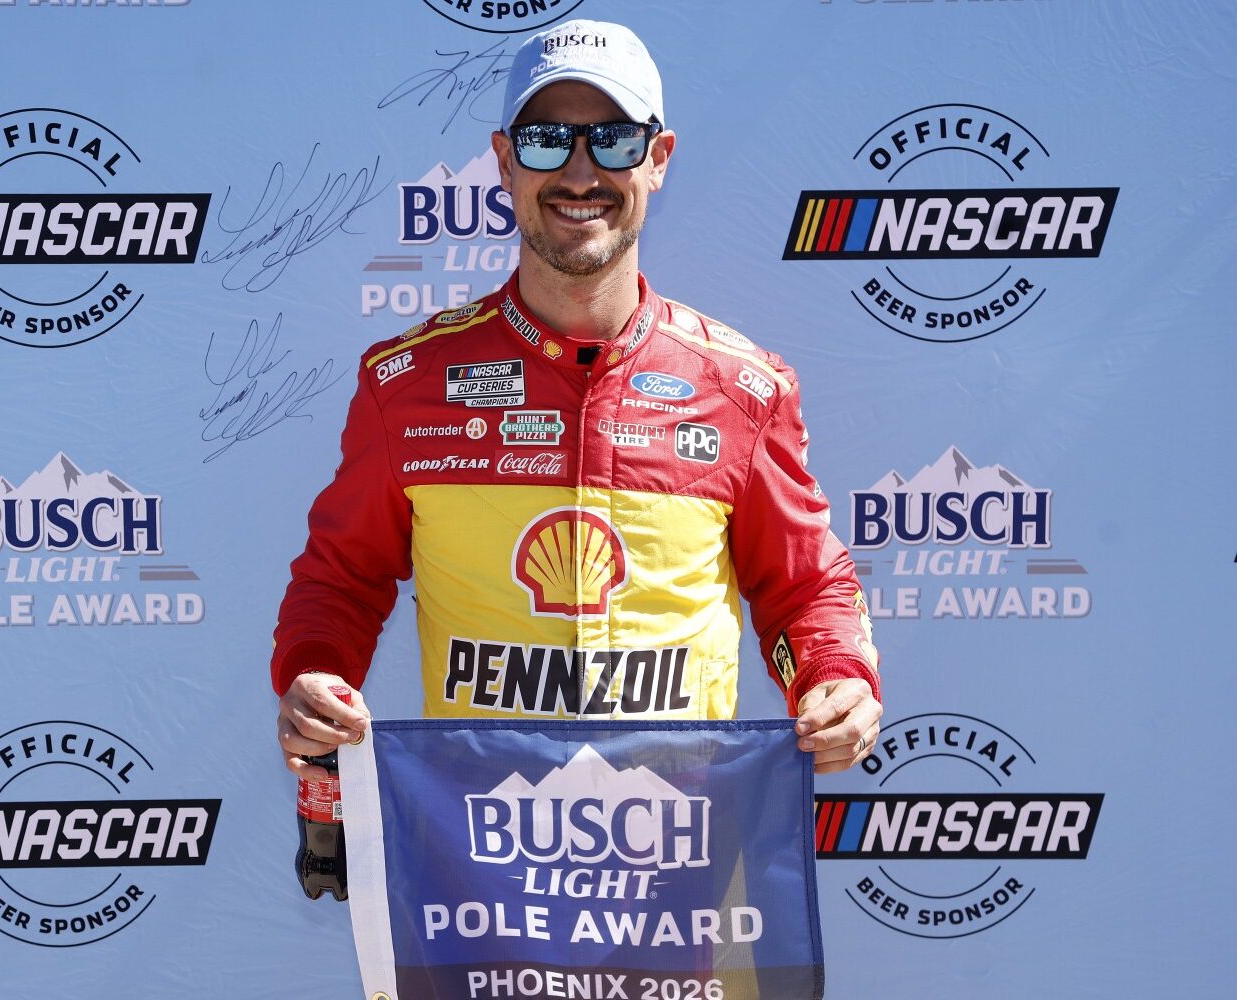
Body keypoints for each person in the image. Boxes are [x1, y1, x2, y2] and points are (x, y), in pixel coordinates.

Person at [272, 19, 881, 781]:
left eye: (616, 140)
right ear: (503, 162)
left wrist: (834, 675)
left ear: (659, 160)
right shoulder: (407, 383)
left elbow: (804, 586)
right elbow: (340, 578)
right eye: (545, 140)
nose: (580, 173)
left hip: (685, 839)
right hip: (480, 847)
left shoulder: (744, 389)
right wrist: (315, 673)